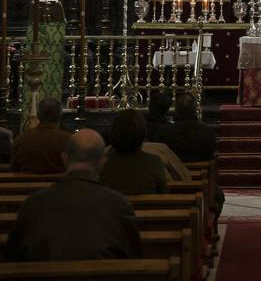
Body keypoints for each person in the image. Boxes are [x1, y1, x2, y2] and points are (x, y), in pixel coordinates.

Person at [5, 129, 142, 261]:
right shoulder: (119, 205)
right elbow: (134, 257)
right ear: (102, 162)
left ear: (64, 158)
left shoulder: (33, 204)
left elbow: (13, 257)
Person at [100, 109, 167, 196]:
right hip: (148, 208)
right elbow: (164, 192)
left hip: (113, 208)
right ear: (142, 134)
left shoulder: (103, 163)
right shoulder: (154, 162)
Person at [11, 97, 71, 174]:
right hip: (60, 184)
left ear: (38, 115)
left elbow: (14, 168)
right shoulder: (69, 140)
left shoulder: (21, 139)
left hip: (27, 184)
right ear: (60, 115)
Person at [154, 92, 217, 163]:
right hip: (201, 171)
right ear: (195, 109)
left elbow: (158, 152)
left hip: (173, 171)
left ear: (176, 109)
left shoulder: (164, 132)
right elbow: (211, 150)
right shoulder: (206, 131)